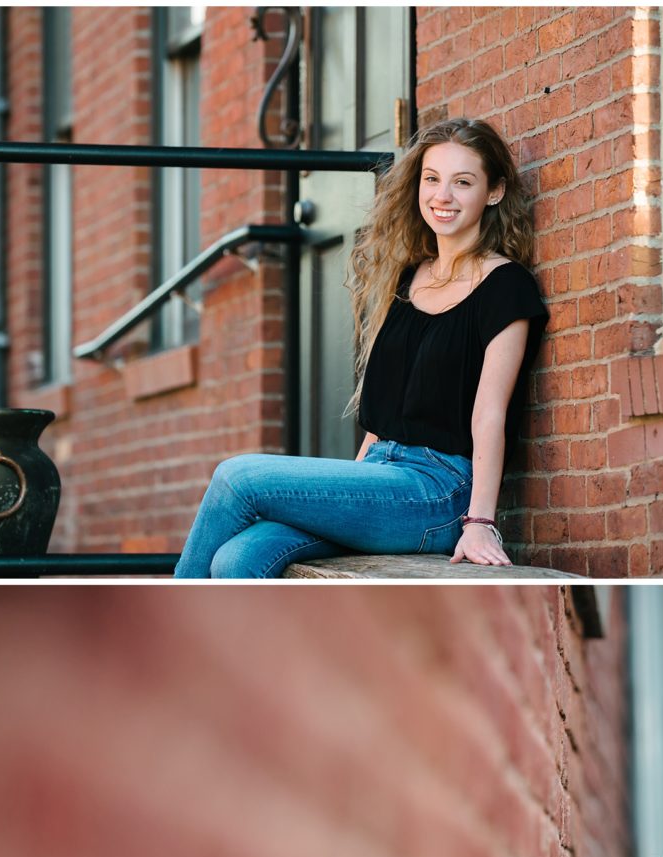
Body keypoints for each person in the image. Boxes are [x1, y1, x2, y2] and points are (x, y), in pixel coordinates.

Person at [175, 117, 548, 578]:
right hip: (378, 481)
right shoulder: (410, 279)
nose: (442, 196)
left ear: (493, 192)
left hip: (436, 492)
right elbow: (384, 411)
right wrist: (347, 493)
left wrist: (479, 521)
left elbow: (490, 413)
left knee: (238, 478)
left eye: (463, 182)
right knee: (239, 557)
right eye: (431, 180)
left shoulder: (506, 286)